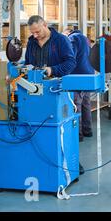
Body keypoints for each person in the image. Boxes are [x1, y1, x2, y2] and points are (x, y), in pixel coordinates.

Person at [25, 16, 84, 175]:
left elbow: (70, 63)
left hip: (59, 90)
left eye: (37, 31)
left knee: (62, 127)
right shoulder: (31, 42)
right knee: (40, 126)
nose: (35, 35)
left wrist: (53, 70)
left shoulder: (61, 41)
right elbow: (27, 63)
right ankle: (42, 163)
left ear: (45, 25)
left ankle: (70, 163)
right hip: (36, 91)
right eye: (33, 33)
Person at [63, 29, 95, 143]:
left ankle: (78, 134)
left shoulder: (72, 38)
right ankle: (88, 130)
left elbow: (71, 57)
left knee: (76, 104)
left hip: (78, 76)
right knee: (86, 103)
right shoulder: (85, 38)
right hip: (89, 75)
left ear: (67, 34)